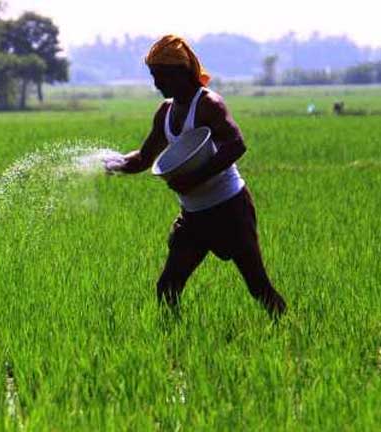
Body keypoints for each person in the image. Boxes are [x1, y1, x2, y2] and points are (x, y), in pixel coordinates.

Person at [106, 35, 286, 318]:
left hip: (230, 210)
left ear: (180, 72)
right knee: (167, 287)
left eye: (161, 76)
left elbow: (236, 144)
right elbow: (143, 158)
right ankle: (172, 348)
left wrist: (195, 179)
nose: (156, 84)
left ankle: (290, 333)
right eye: (153, 76)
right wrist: (113, 163)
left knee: (258, 288)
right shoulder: (165, 111)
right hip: (194, 217)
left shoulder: (209, 104)